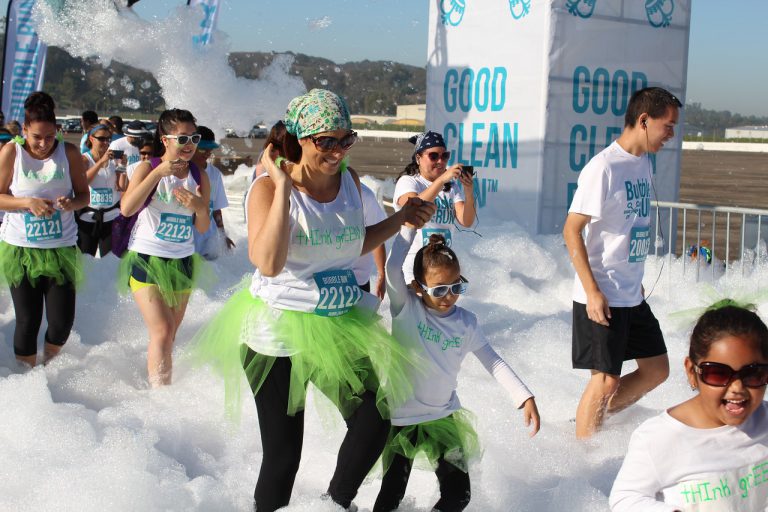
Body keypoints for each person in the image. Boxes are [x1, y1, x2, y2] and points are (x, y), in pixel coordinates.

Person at [190, 89, 435, 512]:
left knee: (375, 420)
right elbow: (267, 262)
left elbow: (351, 243)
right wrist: (285, 187)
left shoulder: (351, 182)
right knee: (284, 457)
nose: (338, 151)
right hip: (276, 330)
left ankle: (333, 504)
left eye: (346, 139)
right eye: (326, 141)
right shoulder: (268, 189)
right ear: (302, 138)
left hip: (336, 321)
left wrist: (400, 219)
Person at [373, 228, 540, 512]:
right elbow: (391, 266)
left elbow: (493, 360)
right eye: (439, 289)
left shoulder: (466, 322)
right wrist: (409, 228)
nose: (449, 296)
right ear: (418, 287)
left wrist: (523, 396)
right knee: (391, 495)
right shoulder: (407, 308)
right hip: (402, 419)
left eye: (456, 287)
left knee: (459, 495)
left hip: (443, 418)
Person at [563, 87, 682, 439]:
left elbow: (628, 227)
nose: (672, 134)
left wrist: (636, 276)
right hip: (602, 294)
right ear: (644, 120)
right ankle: (583, 457)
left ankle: (590, 417)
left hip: (631, 291)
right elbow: (572, 231)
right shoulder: (603, 168)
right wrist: (593, 291)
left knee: (657, 369)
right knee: (605, 379)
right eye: (668, 125)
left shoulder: (643, 161)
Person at [609, 304, 768, 511]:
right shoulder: (660, 437)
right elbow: (625, 498)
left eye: (753, 373)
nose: (737, 388)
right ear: (692, 372)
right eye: (718, 373)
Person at [118, 108, 211, 387]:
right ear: (165, 138)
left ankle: (158, 387)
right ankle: (159, 397)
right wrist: (158, 171)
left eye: (194, 138)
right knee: (163, 329)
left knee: (168, 335)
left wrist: (198, 208)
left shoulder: (199, 175)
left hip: (181, 261)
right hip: (148, 257)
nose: (190, 145)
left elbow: (203, 228)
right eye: (182, 138)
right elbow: (126, 208)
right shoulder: (147, 168)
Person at [0, 91, 89, 366]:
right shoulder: (11, 152)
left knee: (62, 323)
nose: (42, 143)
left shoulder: (69, 153)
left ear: (58, 131)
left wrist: (70, 203)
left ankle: (49, 368)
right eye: (36, 137)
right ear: (24, 129)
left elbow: (84, 195)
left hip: (60, 248)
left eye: (49, 137)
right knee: (28, 320)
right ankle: (26, 378)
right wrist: (28, 202)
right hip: (21, 249)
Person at [393, 131, 476, 282]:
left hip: (442, 266)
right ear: (418, 158)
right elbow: (414, 208)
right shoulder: (409, 182)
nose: (440, 161)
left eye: (444, 156)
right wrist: (442, 180)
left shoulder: (450, 187)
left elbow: (467, 221)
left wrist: (469, 192)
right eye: (433, 156)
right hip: (413, 266)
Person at [76, 123, 126, 257]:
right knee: (85, 259)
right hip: (89, 217)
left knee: (109, 260)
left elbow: (121, 186)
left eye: (108, 139)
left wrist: (123, 167)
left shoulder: (113, 159)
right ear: (92, 139)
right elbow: (82, 182)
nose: (106, 142)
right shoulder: (84, 159)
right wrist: (100, 163)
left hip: (111, 216)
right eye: (101, 139)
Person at [191, 126, 235, 260]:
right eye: (203, 149)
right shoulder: (182, 172)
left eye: (210, 150)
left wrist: (222, 236)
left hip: (208, 242)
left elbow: (216, 209)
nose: (207, 154)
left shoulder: (215, 174)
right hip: (187, 242)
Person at [351, 182, 387, 299]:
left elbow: (377, 236)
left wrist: (382, 274)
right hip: (318, 280)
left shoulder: (364, 195)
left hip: (357, 280)